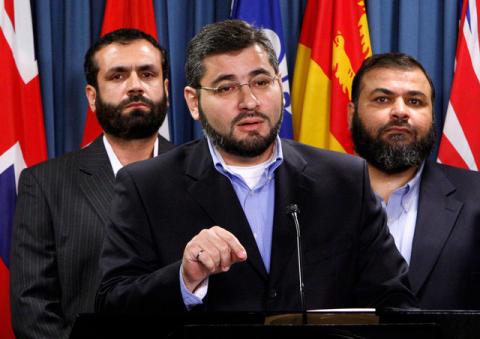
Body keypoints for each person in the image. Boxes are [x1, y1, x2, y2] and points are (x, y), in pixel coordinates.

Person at [96, 20, 416, 314]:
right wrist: (184, 278)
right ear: (193, 102)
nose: (249, 101)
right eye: (226, 87)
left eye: (261, 82)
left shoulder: (345, 180)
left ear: (280, 86)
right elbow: (112, 306)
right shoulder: (147, 186)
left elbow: (393, 300)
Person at [10, 28, 174, 339]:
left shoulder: (203, 174)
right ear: (92, 96)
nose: (135, 86)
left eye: (147, 74)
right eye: (117, 76)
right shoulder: (44, 184)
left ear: (165, 88)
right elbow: (32, 308)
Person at [348, 52, 480, 309]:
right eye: (382, 99)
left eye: (415, 101)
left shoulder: (476, 199)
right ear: (352, 114)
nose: (400, 112)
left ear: (432, 117)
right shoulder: (312, 200)